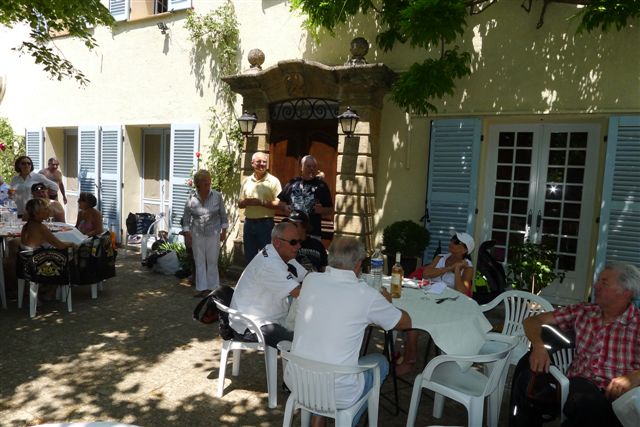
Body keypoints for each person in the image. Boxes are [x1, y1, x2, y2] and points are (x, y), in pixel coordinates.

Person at [290, 237, 412, 427]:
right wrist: (388, 304)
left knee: (328, 357)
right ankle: (344, 421)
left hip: (298, 379)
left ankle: (318, 417)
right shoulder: (366, 294)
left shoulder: (311, 280)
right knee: (381, 362)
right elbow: (405, 323)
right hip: (338, 389)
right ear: (358, 264)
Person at [509, 263, 640, 427]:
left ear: (626, 292)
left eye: (604, 282)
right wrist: (539, 346)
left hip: (616, 399)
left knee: (585, 402)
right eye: (598, 281)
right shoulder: (584, 311)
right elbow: (532, 321)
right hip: (574, 388)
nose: (596, 286)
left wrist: (636, 376)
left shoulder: (637, 323)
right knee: (526, 378)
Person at [396, 229, 475, 375]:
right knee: (408, 312)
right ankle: (408, 354)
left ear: (465, 250)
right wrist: (449, 268)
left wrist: (457, 270)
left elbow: (462, 291)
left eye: (456, 242)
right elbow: (426, 273)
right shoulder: (441, 258)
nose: (451, 243)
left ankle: (410, 358)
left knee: (413, 317)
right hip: (429, 297)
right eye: (452, 240)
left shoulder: (468, 267)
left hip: (448, 304)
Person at [230, 222, 307, 348]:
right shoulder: (270, 264)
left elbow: (307, 276)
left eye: (299, 241)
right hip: (252, 325)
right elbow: (298, 292)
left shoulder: (282, 255)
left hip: (272, 318)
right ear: (277, 242)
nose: (299, 246)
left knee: (308, 333)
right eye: (293, 242)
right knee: (303, 341)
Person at [182, 169, 228, 298]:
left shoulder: (217, 196)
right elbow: (186, 219)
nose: (208, 184)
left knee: (212, 261)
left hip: (213, 232)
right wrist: (187, 234)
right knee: (199, 261)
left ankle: (213, 289)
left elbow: (223, 216)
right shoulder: (191, 198)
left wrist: (224, 231)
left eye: (209, 181)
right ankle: (202, 288)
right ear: (198, 184)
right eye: (205, 182)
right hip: (197, 233)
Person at [21, 198, 75, 302]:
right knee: (67, 259)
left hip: (26, 261)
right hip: (37, 264)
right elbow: (60, 245)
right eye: (46, 209)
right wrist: (72, 244)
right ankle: (51, 292)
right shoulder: (42, 228)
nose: (49, 211)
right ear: (37, 213)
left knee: (58, 255)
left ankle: (45, 289)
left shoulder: (26, 226)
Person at [238, 152, 282, 263]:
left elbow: (279, 204)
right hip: (249, 223)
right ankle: (252, 275)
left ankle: (265, 275)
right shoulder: (246, 181)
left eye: (264, 162)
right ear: (252, 163)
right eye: (258, 161)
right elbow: (239, 203)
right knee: (249, 258)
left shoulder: (274, 181)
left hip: (265, 224)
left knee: (267, 257)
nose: (262, 164)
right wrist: (246, 202)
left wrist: (261, 202)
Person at [278, 155, 333, 239]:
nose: (311, 169)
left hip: (313, 233)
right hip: (292, 231)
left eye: (314, 167)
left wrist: (321, 210)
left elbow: (330, 210)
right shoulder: (293, 183)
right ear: (301, 167)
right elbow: (280, 202)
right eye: (308, 166)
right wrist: (284, 207)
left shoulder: (322, 186)